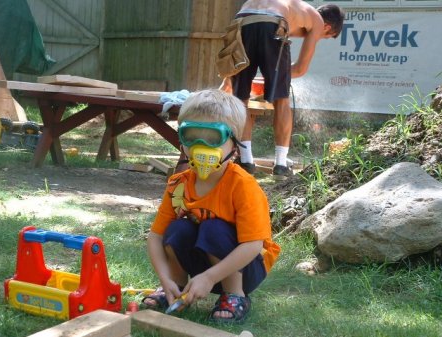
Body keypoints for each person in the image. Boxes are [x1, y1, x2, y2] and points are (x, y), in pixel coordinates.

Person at [143, 89, 280, 324]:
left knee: (214, 228)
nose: (200, 147)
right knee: (177, 229)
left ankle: (234, 295)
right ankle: (175, 286)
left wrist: (210, 277)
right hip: (204, 264)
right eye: (192, 136)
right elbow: (156, 237)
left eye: (212, 139)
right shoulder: (179, 185)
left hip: (246, 267)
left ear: (234, 144)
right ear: (181, 139)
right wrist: (164, 278)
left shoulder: (243, 186)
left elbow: (252, 245)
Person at [220, 0, 345, 177]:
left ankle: (246, 161)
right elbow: (300, 69)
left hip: (241, 21)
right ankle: (280, 164)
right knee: (281, 99)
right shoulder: (316, 20)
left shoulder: (294, 11)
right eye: (324, 36)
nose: (317, 38)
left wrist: (230, 79)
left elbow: (245, 60)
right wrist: (274, 80)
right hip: (272, 21)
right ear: (326, 27)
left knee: (241, 99)